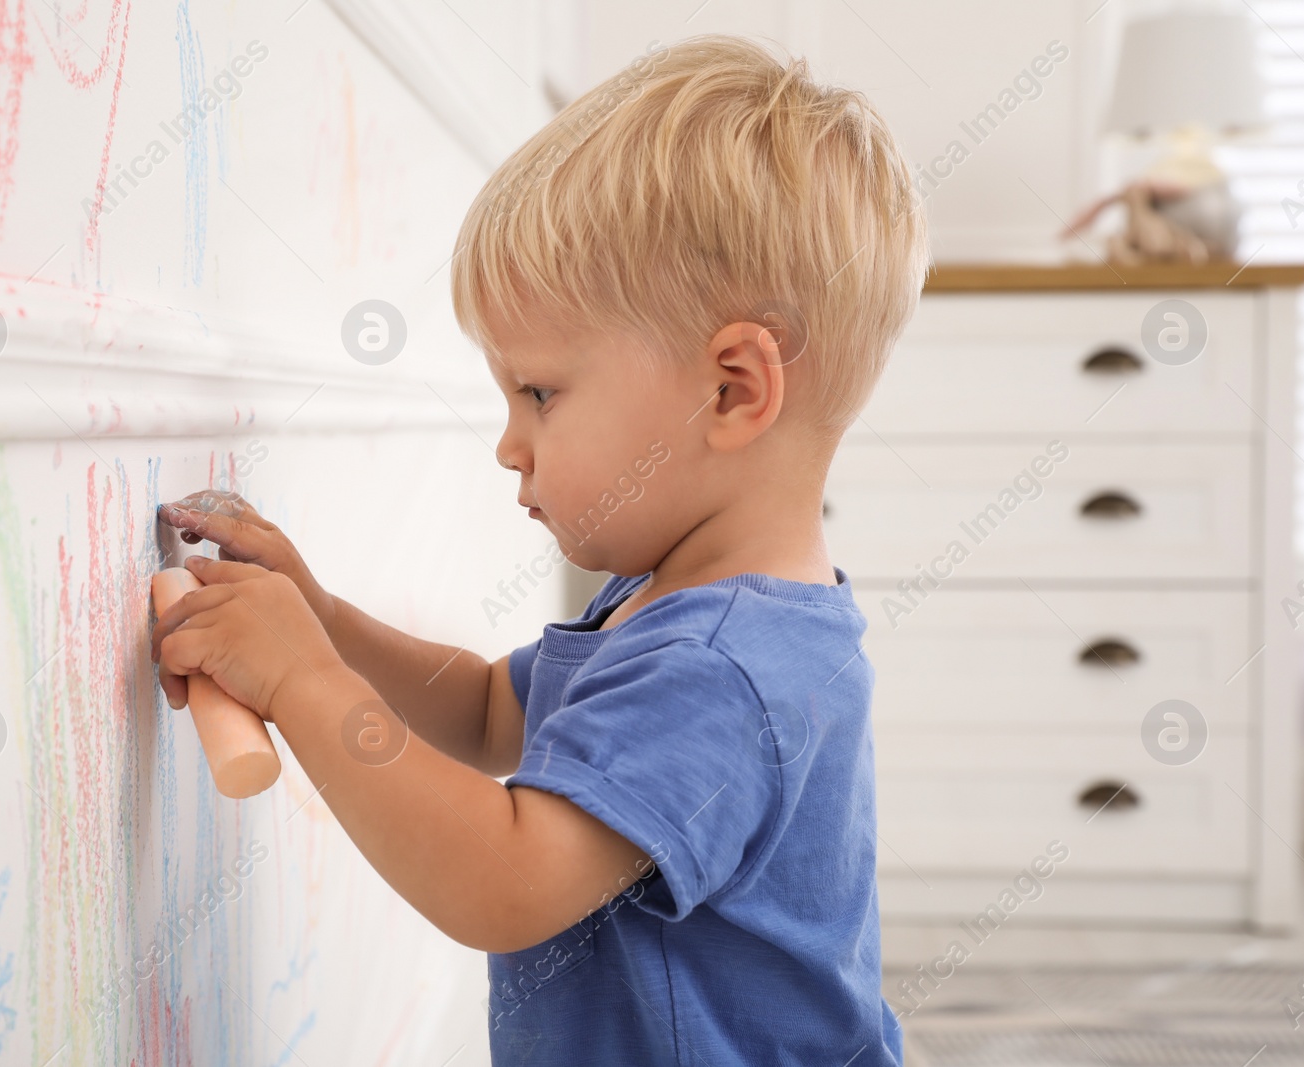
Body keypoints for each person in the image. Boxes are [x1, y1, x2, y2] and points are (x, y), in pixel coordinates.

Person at [151, 33, 927, 1065]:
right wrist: (321, 619)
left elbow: (501, 881)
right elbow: (483, 711)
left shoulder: (716, 670)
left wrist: (299, 676)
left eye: (540, 393)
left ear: (731, 389)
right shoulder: (673, 603)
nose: (510, 443)